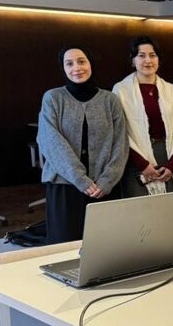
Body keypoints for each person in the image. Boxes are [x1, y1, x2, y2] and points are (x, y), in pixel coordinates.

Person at [37, 46, 129, 244]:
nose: (76, 68)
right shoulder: (53, 98)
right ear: (63, 68)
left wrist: (107, 180)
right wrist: (80, 179)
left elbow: (120, 144)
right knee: (64, 248)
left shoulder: (110, 100)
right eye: (69, 64)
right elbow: (50, 142)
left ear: (91, 64)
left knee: (106, 247)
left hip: (103, 189)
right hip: (65, 186)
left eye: (81, 61)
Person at [113, 36, 173, 197]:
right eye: (141, 55)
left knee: (172, 206)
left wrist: (172, 165)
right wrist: (142, 164)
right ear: (133, 60)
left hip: (168, 156)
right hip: (135, 159)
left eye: (152, 55)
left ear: (159, 60)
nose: (148, 60)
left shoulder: (171, 90)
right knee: (142, 209)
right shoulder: (121, 90)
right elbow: (120, 131)